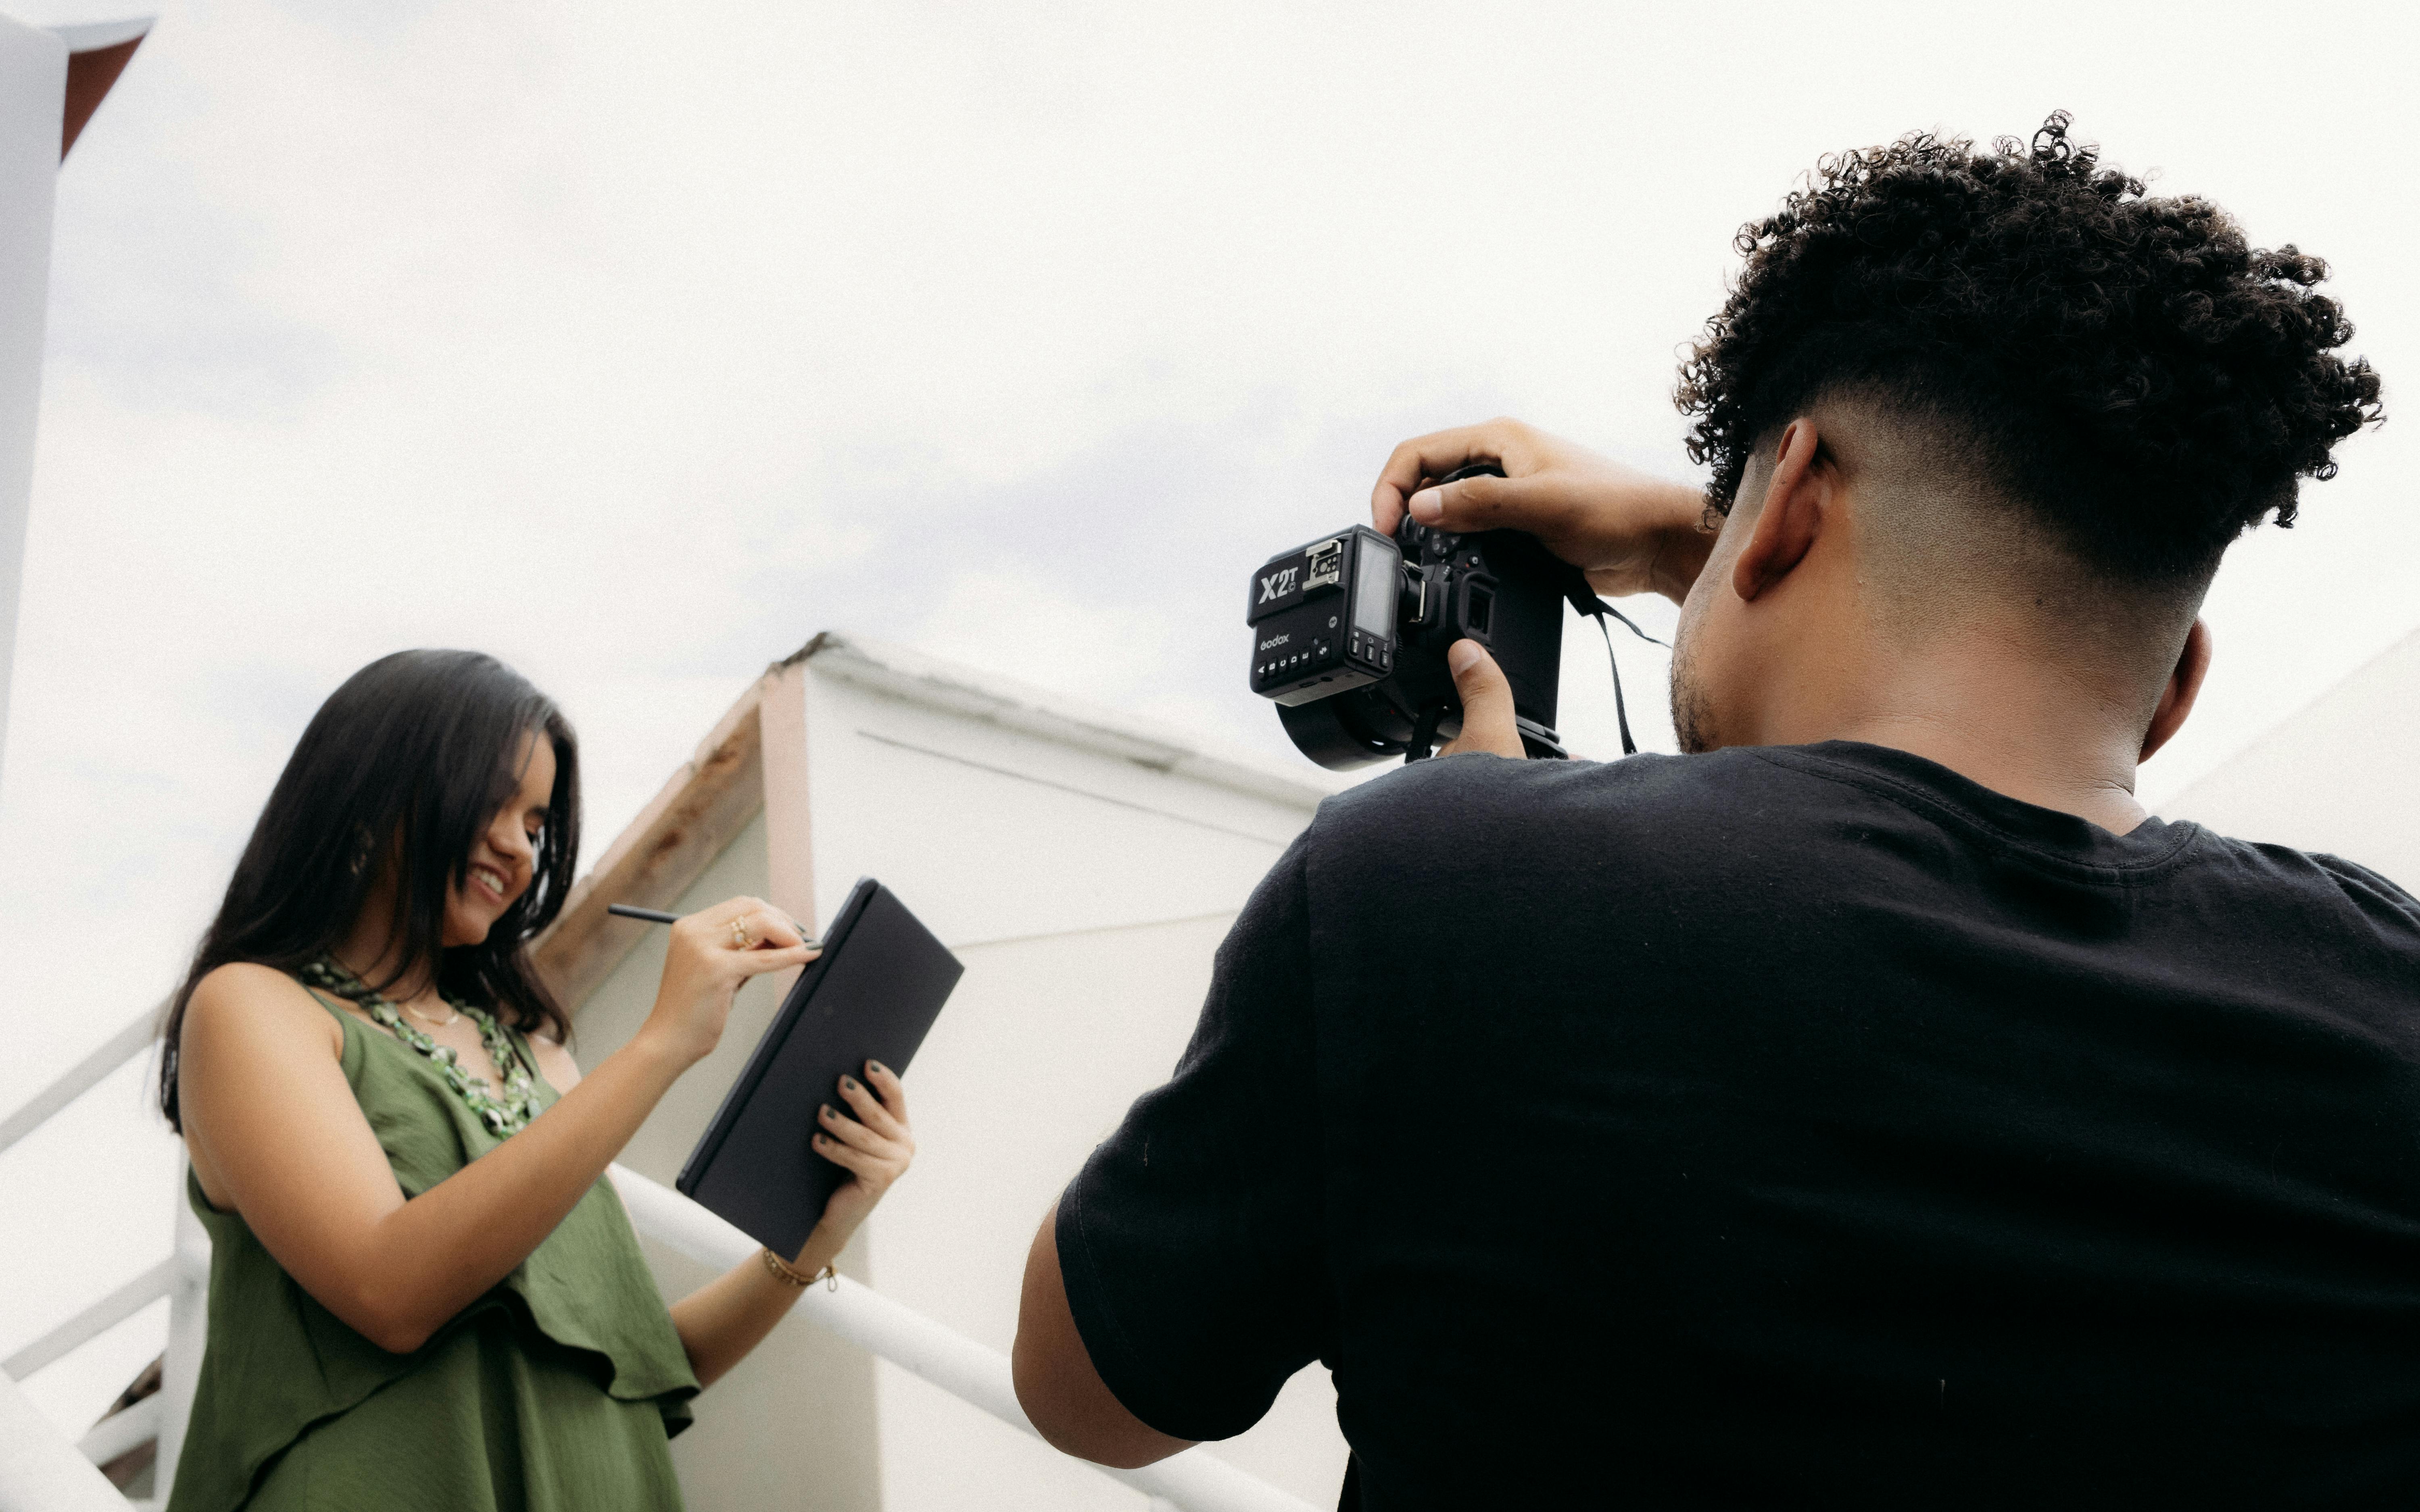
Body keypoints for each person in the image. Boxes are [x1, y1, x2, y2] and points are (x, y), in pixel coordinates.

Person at [1010, 115, 2404, 1508]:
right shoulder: (2382, 993)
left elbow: (1087, 1397)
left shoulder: (1436, 893)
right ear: (2176, 690)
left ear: (1792, 497)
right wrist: (1719, 543)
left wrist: (1492, 848)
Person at [158, 650, 917, 1512]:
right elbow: (390, 1289)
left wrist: (819, 1231)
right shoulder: (252, 1008)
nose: (518, 845)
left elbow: (638, 1365)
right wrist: (663, 1043)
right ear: (373, 786)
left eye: (538, 823)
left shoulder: (541, 1060)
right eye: (493, 799)